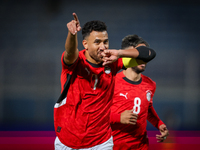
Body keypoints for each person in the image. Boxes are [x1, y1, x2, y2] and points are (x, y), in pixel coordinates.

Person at [54, 13, 156, 150]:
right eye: (97, 42)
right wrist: (72, 35)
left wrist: (120, 53)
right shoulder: (75, 62)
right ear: (85, 44)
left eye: (105, 41)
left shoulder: (112, 61)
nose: (103, 46)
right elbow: (70, 52)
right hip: (68, 140)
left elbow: (148, 54)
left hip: (101, 142)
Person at [110, 34, 169, 150]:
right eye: (139, 54)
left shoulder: (150, 84)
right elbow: (96, 115)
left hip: (141, 146)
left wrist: (159, 123)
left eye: (145, 55)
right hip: (114, 145)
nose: (144, 59)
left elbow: (147, 107)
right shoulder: (111, 82)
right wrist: (118, 118)